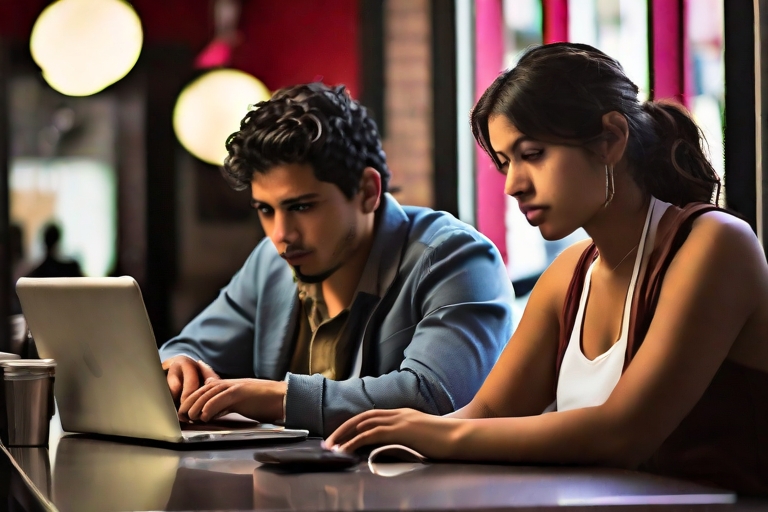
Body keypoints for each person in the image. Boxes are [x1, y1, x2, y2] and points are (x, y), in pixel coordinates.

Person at [326, 43, 768, 495]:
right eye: (505, 164)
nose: (513, 185)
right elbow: (487, 414)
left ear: (610, 140)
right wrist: (398, 431)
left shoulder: (714, 244)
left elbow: (623, 434)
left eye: (533, 154)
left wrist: (438, 434)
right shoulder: (569, 273)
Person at [159, 82, 516, 437]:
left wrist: (279, 399)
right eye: (266, 210)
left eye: (302, 207)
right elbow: (188, 349)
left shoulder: (456, 257)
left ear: (368, 191)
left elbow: (435, 395)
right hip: (285, 475)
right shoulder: (271, 261)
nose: (281, 234)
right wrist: (179, 368)